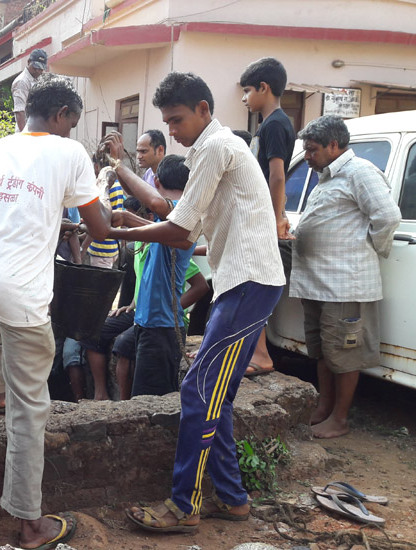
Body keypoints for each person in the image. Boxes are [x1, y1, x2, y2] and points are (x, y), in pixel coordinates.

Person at [107, 72, 285, 533]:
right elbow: (186, 218)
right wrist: (132, 216)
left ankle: (184, 504)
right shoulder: (219, 147)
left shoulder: (214, 146)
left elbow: (181, 230)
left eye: (177, 120)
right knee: (215, 397)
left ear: (204, 109)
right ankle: (231, 499)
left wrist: (121, 231)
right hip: (244, 281)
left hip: (248, 282)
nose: (173, 131)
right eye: (167, 123)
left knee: (197, 390)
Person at [0, 74, 117, 550]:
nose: (72, 130)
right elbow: (100, 229)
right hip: (16, 288)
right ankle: (30, 523)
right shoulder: (69, 153)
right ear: (63, 115)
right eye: (73, 122)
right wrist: (120, 223)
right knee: (33, 409)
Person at [291, 115, 400, 439]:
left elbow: (388, 217)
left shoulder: (360, 172)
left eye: (311, 150)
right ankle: (325, 408)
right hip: (318, 283)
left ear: (334, 145)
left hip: (344, 284)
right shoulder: (327, 176)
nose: (307, 156)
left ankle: (340, 419)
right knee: (324, 352)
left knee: (344, 354)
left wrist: (365, 251)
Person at [81, 154, 207, 400]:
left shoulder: (180, 214)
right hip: (150, 324)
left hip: (161, 328)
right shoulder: (171, 220)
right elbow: (146, 207)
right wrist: (126, 219)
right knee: (145, 393)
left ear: (157, 182)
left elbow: (152, 204)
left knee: (152, 402)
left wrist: (117, 164)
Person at [240, 57, 297, 377]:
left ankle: (260, 355)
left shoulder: (275, 123)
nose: (244, 98)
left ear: (264, 88)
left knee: (254, 287)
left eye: (247, 91)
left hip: (264, 219)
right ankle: (255, 352)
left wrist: (275, 218)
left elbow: (277, 176)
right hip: (263, 216)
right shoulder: (273, 123)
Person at [11, 49, 48, 132]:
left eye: (41, 69)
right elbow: (20, 112)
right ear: (28, 62)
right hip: (27, 133)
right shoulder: (22, 82)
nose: (38, 71)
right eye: (35, 67)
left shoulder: (39, 79)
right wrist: (26, 137)